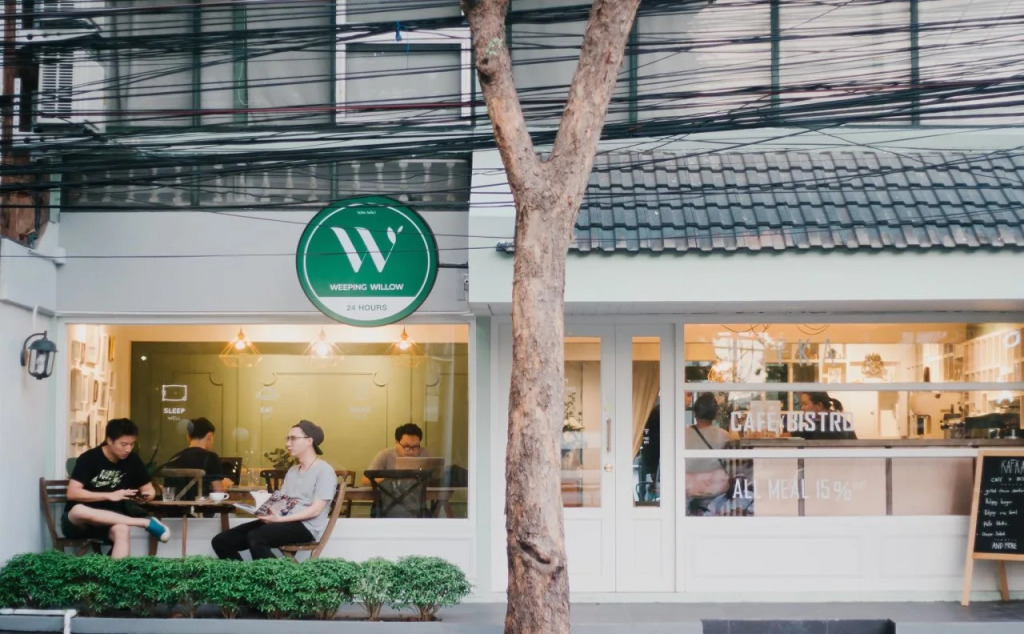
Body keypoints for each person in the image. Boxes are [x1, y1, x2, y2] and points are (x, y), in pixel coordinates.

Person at [212, 420, 336, 560]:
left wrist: (280, 519)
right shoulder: (293, 471)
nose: (288, 443)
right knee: (221, 541)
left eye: (293, 438)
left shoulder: (324, 471)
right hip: (283, 521)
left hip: (305, 527)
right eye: (287, 439)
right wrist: (265, 502)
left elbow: (316, 510)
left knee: (257, 536)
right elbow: (282, 503)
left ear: (309, 441)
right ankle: (242, 574)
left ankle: (275, 575)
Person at [63, 418, 170, 558]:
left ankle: (118, 572)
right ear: (109, 440)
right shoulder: (89, 459)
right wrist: (109, 495)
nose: (128, 449)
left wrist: (144, 497)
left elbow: (149, 490)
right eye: (123, 444)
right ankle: (144, 523)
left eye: (131, 444)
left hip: (111, 520)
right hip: (80, 524)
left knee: (122, 530)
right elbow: (72, 493)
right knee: (78, 510)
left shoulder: (132, 460)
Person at [683, 393, 733, 515]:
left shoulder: (682, 434)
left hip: (688, 488)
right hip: (716, 490)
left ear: (695, 413)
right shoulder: (725, 435)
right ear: (715, 414)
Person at [162, 417, 233, 500]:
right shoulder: (210, 457)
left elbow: (167, 490)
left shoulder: (174, 458)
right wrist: (225, 485)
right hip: (200, 506)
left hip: (174, 507)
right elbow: (218, 492)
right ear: (210, 436)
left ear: (188, 436)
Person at [362, 422, 429, 485]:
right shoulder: (385, 455)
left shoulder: (424, 455)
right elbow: (365, 480)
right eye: (406, 446)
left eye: (415, 447)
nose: (411, 451)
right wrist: (393, 481)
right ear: (397, 443)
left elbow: (432, 479)